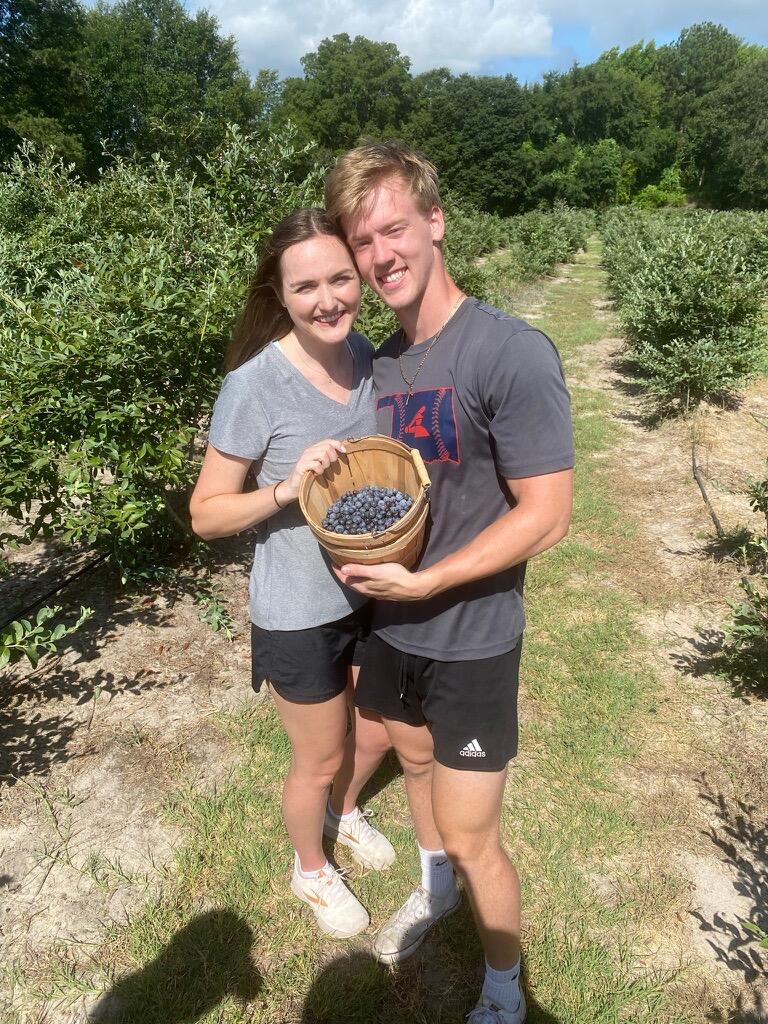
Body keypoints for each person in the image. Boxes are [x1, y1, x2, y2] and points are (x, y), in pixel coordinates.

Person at [325, 145, 575, 1022]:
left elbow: (545, 514)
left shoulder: (510, 351)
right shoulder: (379, 365)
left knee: (474, 835)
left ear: (435, 223)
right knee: (418, 767)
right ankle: (434, 896)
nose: (379, 254)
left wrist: (428, 581)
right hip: (390, 628)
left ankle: (504, 987)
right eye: (361, 241)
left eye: (393, 228)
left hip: (470, 636)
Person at [189, 208, 394, 940]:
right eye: (306, 286)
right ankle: (310, 867)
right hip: (299, 608)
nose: (328, 298)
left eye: (341, 278)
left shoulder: (366, 355)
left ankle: (349, 809)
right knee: (320, 753)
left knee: (373, 727)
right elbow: (206, 514)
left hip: (373, 587)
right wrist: (285, 489)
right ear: (279, 295)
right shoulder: (255, 385)